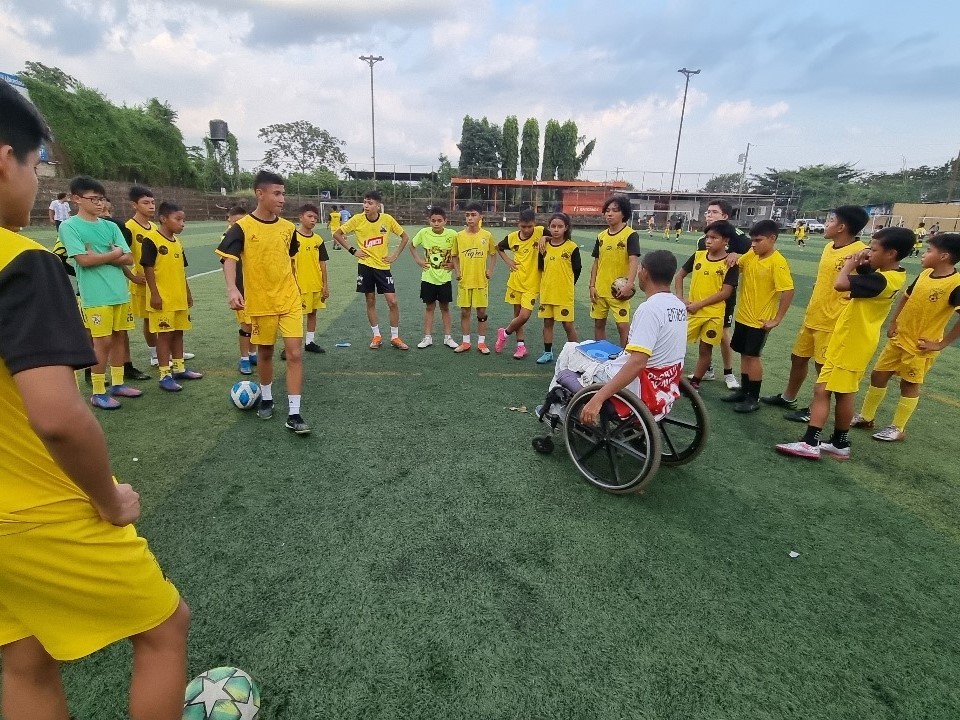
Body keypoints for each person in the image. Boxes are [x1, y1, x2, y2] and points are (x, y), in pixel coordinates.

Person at [0, 76, 190, 720]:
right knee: (164, 628)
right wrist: (108, 499)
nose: (37, 184)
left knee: (25, 658)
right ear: (5, 159)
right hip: (35, 509)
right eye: (37, 166)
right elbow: (56, 417)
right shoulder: (21, 262)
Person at [776, 227, 914, 460]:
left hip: (851, 343)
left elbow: (840, 284)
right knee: (843, 393)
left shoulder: (882, 279)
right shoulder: (894, 275)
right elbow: (867, 275)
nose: (869, 252)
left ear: (891, 253)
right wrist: (863, 262)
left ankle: (810, 442)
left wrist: (848, 265)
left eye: (874, 249)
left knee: (823, 390)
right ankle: (839, 442)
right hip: (853, 341)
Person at [216, 170, 311, 435]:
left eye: (283, 193)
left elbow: (289, 260)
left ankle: (294, 413)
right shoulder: (242, 227)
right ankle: (267, 398)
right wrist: (232, 288)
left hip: (289, 299)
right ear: (260, 194)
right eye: (277, 193)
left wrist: (296, 287)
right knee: (266, 353)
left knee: (294, 353)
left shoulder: (288, 229)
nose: (282, 199)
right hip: (260, 302)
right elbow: (229, 259)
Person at [761, 206, 870, 421]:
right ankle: (788, 397)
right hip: (814, 314)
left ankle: (814, 409)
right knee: (798, 358)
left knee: (823, 367)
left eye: (830, 220)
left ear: (842, 227)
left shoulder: (862, 251)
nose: (826, 224)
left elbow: (875, 280)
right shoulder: (829, 247)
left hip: (834, 321)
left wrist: (855, 295)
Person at [851, 232, 960, 442]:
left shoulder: (956, 283)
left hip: (920, 346)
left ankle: (898, 427)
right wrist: (894, 322)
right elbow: (906, 297)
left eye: (929, 250)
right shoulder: (925, 274)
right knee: (878, 375)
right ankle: (866, 417)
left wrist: (941, 344)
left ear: (944, 256)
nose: (923, 254)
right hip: (900, 338)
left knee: (908, 385)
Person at [574, 250, 688, 425]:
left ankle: (557, 412)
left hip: (641, 387)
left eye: (640, 268)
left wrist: (598, 398)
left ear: (645, 272)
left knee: (570, 352)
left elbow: (637, 363)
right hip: (664, 385)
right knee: (592, 345)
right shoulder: (679, 306)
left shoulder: (649, 309)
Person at [60, 176, 144, 410]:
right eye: (93, 199)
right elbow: (83, 261)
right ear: (77, 199)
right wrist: (113, 254)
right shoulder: (69, 226)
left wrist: (102, 256)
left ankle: (118, 383)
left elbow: (128, 257)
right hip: (95, 295)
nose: (99, 203)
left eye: (101, 199)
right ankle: (98, 391)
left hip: (119, 292)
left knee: (119, 337)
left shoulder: (111, 226)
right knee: (102, 341)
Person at [721, 219, 794, 412]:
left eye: (758, 240)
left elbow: (788, 290)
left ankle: (753, 398)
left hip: (759, 321)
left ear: (772, 238)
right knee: (744, 354)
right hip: (743, 316)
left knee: (753, 357)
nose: (753, 244)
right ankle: (744, 391)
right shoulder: (752, 255)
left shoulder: (777, 262)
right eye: (752, 240)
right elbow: (737, 263)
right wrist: (734, 255)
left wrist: (777, 319)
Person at [333, 190, 410, 350]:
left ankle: (395, 337)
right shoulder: (357, 219)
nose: (366, 206)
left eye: (370, 203)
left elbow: (405, 237)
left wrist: (394, 255)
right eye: (365, 202)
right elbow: (337, 234)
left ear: (378, 206)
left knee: (392, 301)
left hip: (383, 267)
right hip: (365, 266)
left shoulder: (387, 219)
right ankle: (376, 336)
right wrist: (353, 250)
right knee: (370, 300)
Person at [141, 201, 202, 392]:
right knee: (164, 336)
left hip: (178, 297)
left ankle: (179, 368)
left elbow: (181, 270)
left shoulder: (177, 242)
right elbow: (148, 268)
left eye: (183, 220)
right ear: (163, 219)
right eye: (178, 219)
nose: (182, 223)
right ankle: (164, 374)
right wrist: (154, 294)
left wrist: (187, 292)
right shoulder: (151, 239)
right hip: (162, 299)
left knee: (178, 333)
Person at [674, 220, 739, 390]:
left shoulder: (730, 263)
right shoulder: (698, 255)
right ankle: (670, 375)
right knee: (677, 343)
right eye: (707, 237)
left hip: (714, 315)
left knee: (705, 349)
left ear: (726, 240)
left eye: (714, 238)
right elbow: (679, 276)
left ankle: (695, 382)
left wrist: (700, 304)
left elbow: (725, 293)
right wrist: (680, 298)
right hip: (693, 312)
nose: (708, 241)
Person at [697, 199, 752, 389]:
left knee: (722, 332)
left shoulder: (738, 237)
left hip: (724, 294)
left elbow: (756, 253)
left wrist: (739, 256)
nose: (709, 215)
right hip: (704, 294)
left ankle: (729, 373)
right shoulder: (702, 240)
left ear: (725, 216)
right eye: (707, 212)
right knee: (703, 331)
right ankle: (707, 369)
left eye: (714, 212)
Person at [589, 195, 640, 348]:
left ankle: (626, 356)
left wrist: (629, 285)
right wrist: (592, 286)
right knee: (599, 324)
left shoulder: (630, 235)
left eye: (615, 210)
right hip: (600, 289)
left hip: (619, 290)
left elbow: (633, 260)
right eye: (607, 210)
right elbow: (596, 262)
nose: (609, 214)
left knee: (622, 326)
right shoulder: (601, 236)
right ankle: (601, 353)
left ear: (623, 213)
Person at [495, 208, 544, 359]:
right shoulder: (512, 238)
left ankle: (504, 333)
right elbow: (499, 247)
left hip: (533, 283)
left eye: (530, 226)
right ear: (518, 224)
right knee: (517, 315)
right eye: (523, 226)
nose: (527, 229)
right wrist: (509, 261)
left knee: (524, 316)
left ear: (535, 223)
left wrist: (545, 238)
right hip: (516, 281)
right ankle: (520, 347)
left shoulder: (540, 232)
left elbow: (557, 236)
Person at [283, 203, 329, 357]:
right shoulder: (292, 237)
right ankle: (288, 347)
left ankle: (310, 342)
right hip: (297, 285)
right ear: (301, 217)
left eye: (315, 217)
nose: (313, 220)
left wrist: (325, 285)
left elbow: (323, 263)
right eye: (310, 216)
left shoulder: (318, 239)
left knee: (313, 313)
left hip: (315, 283)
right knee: (294, 317)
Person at [409, 206, 458, 349]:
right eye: (433, 220)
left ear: (445, 221)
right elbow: (411, 246)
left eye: (439, 220)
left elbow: (460, 252)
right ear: (429, 220)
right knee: (429, 307)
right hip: (428, 278)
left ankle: (448, 337)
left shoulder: (453, 235)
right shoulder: (424, 233)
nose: (436, 223)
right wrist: (419, 260)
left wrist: (454, 265)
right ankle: (427, 337)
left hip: (445, 279)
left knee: (445, 308)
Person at [451, 202, 496, 354]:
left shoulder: (486, 235)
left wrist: (490, 270)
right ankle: (465, 342)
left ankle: (481, 343)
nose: (470, 218)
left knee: (481, 312)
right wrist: (457, 271)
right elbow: (454, 256)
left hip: (480, 281)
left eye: (473, 215)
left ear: (480, 217)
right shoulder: (459, 236)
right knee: (465, 312)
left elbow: (493, 254)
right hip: (464, 281)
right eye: (467, 215)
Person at [537, 212, 581, 363]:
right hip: (547, 292)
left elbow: (577, 269)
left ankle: (575, 354)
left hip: (564, 293)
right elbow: (541, 267)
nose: (556, 229)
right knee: (547, 322)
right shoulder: (544, 246)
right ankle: (547, 352)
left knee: (567, 324)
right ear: (549, 227)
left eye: (560, 226)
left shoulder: (572, 247)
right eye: (553, 226)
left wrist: (567, 285)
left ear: (566, 228)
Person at [221, 206, 258, 375]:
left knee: (255, 324)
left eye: (241, 221)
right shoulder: (229, 238)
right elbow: (226, 263)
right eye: (235, 222)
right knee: (246, 326)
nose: (238, 225)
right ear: (229, 221)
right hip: (241, 288)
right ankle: (244, 359)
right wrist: (232, 288)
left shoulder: (252, 235)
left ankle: (252, 354)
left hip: (256, 287)